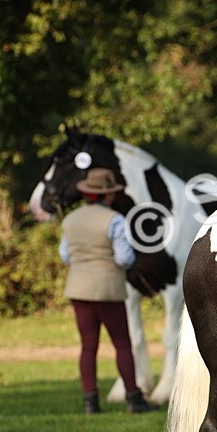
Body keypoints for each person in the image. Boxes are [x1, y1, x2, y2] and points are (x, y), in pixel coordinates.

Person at [59, 168, 154, 414]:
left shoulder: (70, 220)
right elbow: (124, 258)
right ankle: (134, 398)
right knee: (122, 344)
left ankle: (90, 401)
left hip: (78, 289)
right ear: (107, 195)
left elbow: (65, 255)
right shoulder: (115, 220)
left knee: (88, 346)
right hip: (108, 289)